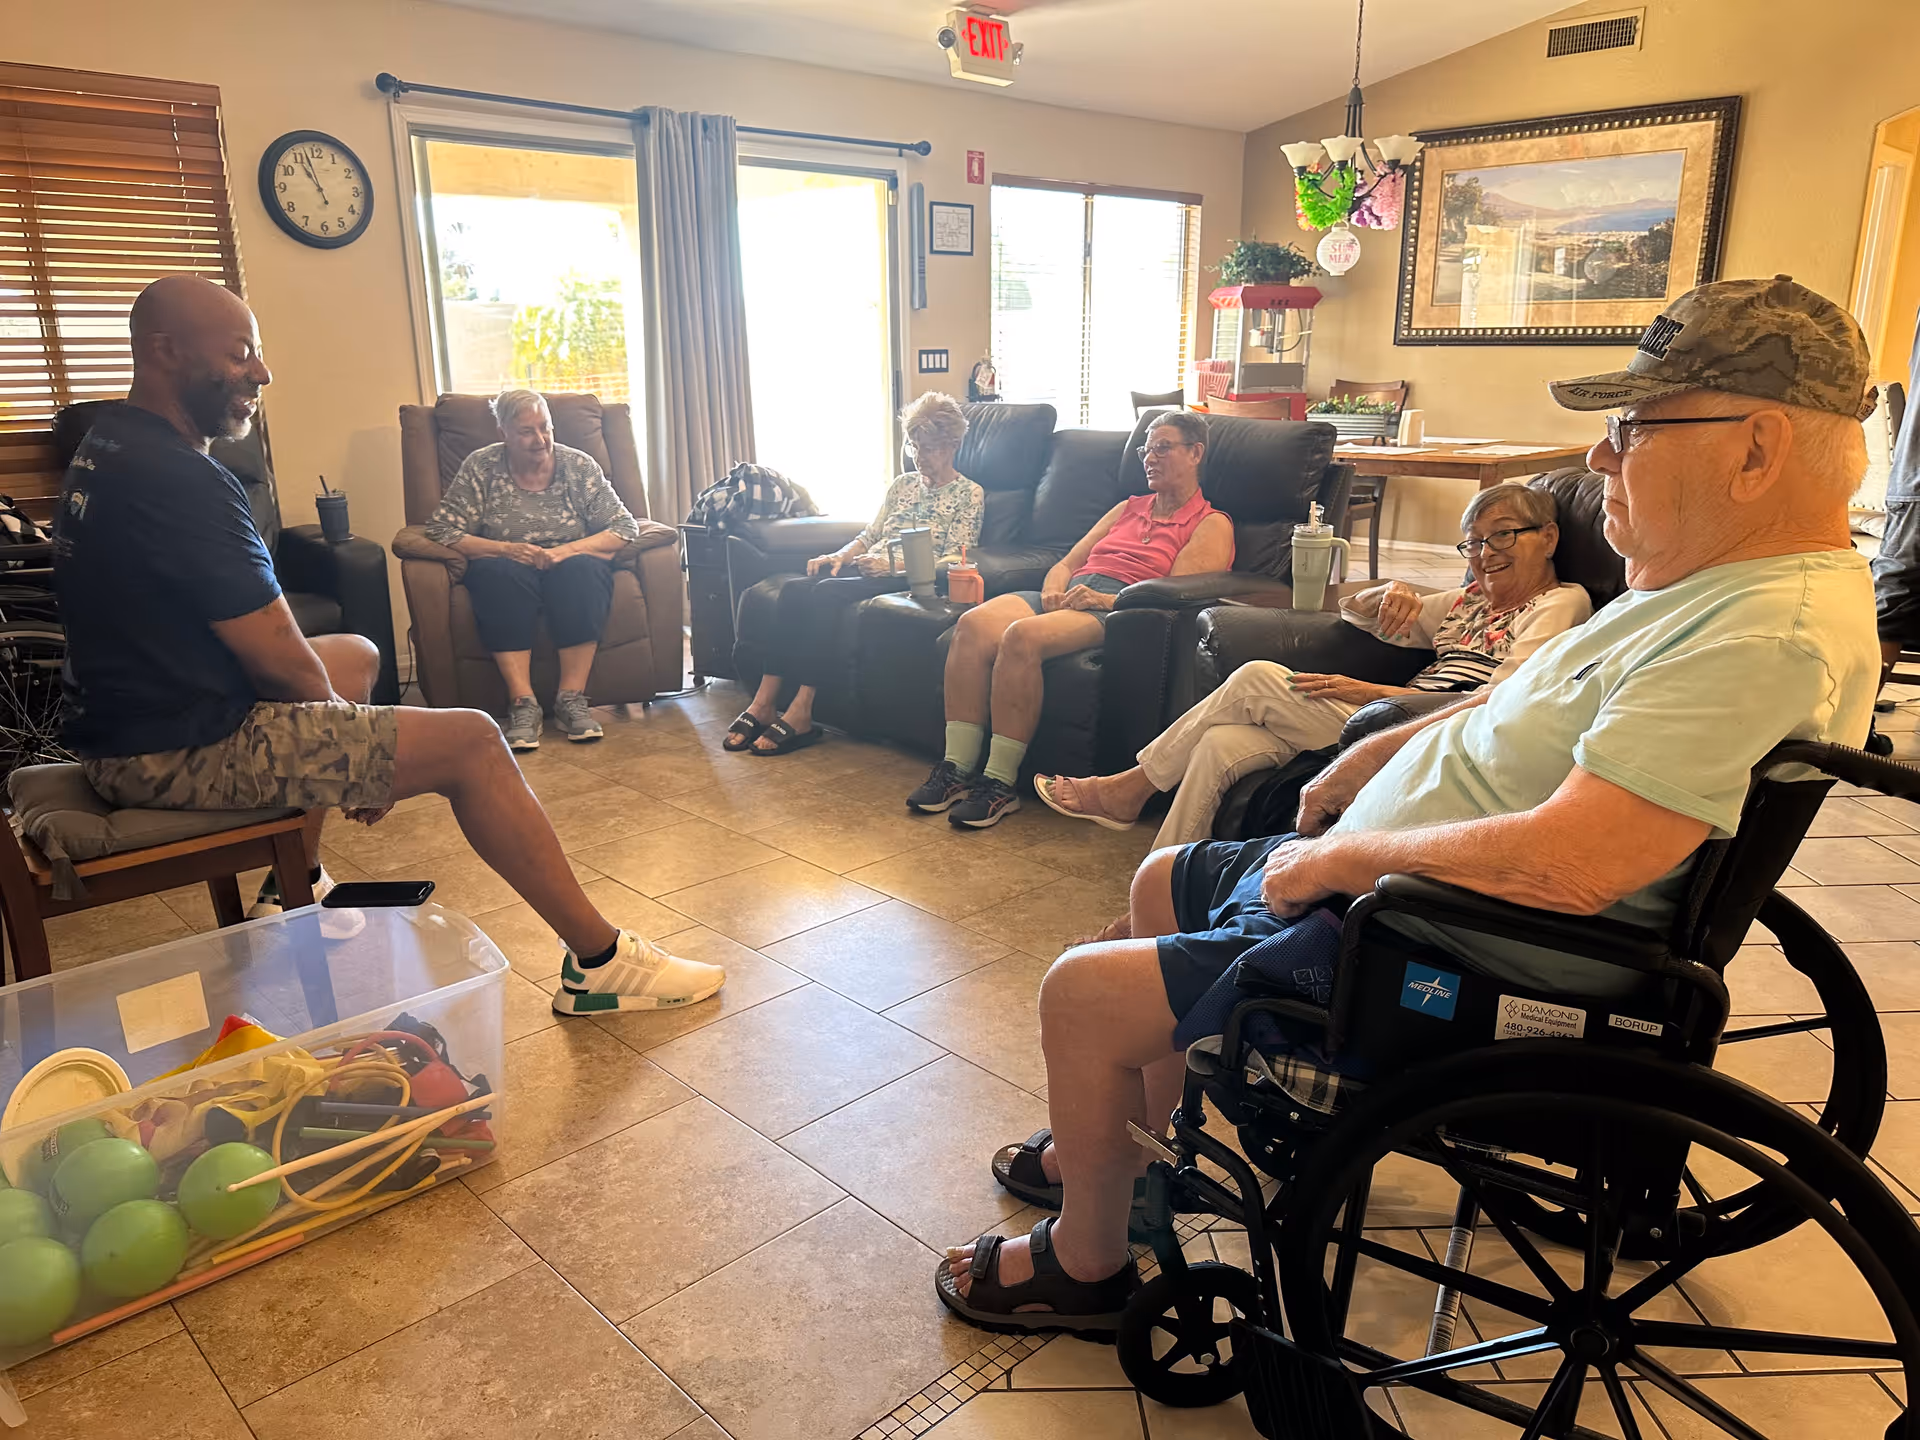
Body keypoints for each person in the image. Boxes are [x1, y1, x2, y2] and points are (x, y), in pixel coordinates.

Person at [934, 274, 1881, 1334]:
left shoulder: (1761, 632)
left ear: (1756, 449)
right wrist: (1367, 758)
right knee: (1161, 876)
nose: (1600, 458)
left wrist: (1335, 861)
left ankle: (1087, 1263)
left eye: (1632, 426)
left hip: (1455, 937)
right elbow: (1512, 695)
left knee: (1078, 992)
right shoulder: (1701, 588)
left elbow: (1577, 863)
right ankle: (1131, 1165)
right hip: (1409, 882)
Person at [53, 275, 722, 1016]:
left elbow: (275, 651)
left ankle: (291, 884)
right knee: (472, 740)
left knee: (355, 656)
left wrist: (350, 745)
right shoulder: (182, 479)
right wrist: (354, 758)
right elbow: (275, 655)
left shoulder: (107, 444)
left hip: (129, 719)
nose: (261, 373)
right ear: (164, 351)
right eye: (240, 353)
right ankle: (599, 961)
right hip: (167, 748)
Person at [1033, 481, 1590, 849]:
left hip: (1425, 733)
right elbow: (1354, 612)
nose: (1485, 553)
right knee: (1219, 745)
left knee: (1255, 677)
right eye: (1472, 544)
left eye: (1503, 536)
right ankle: (1161, 897)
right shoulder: (1470, 602)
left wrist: (1367, 690)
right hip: (1379, 716)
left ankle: (1131, 789)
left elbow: (1496, 702)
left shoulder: (1561, 602)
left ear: (1548, 538)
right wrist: (1389, 591)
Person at [907, 410, 1236, 829]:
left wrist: (1100, 598)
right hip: (1074, 593)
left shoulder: (1211, 523)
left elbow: (1172, 595)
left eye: (1162, 447)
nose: (1149, 457)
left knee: (1021, 636)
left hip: (1119, 609)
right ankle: (956, 767)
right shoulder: (1127, 508)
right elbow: (1068, 561)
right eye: (1145, 449)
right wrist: (1053, 588)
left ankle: (999, 783)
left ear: (1195, 453)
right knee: (972, 626)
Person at [723, 392, 983, 755]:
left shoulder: (969, 493)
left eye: (930, 449)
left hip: (910, 576)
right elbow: (870, 535)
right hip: (869, 567)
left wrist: (892, 566)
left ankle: (801, 712)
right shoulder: (902, 485)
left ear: (953, 445)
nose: (920, 458)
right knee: (795, 590)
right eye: (914, 448)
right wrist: (839, 555)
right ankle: (763, 703)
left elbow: (959, 555)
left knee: (825, 595)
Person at [422, 389, 642, 751]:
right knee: (498, 576)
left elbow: (624, 527)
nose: (540, 440)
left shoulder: (578, 466)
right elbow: (443, 529)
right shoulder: (482, 466)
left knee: (583, 573)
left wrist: (566, 551)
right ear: (503, 432)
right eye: (526, 431)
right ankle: (523, 704)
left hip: (570, 561)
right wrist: (505, 549)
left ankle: (571, 699)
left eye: (546, 428)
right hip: (507, 563)